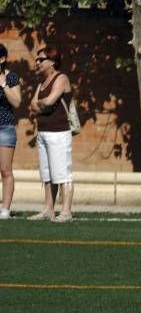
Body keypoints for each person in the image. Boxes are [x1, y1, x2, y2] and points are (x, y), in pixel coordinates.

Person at [29, 46, 74, 222]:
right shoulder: (41, 84)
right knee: (47, 174)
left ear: (52, 62)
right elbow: (32, 107)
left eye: (41, 59)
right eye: (37, 60)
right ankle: (48, 209)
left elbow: (49, 101)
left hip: (59, 133)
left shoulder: (61, 78)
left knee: (62, 173)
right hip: (43, 133)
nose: (37, 62)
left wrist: (39, 104)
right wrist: (40, 105)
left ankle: (66, 212)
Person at [0, 44, 22, 219]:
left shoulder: (12, 77)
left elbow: (16, 102)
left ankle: (5, 209)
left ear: (2, 59)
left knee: (5, 170)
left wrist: (4, 85)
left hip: (4, 127)